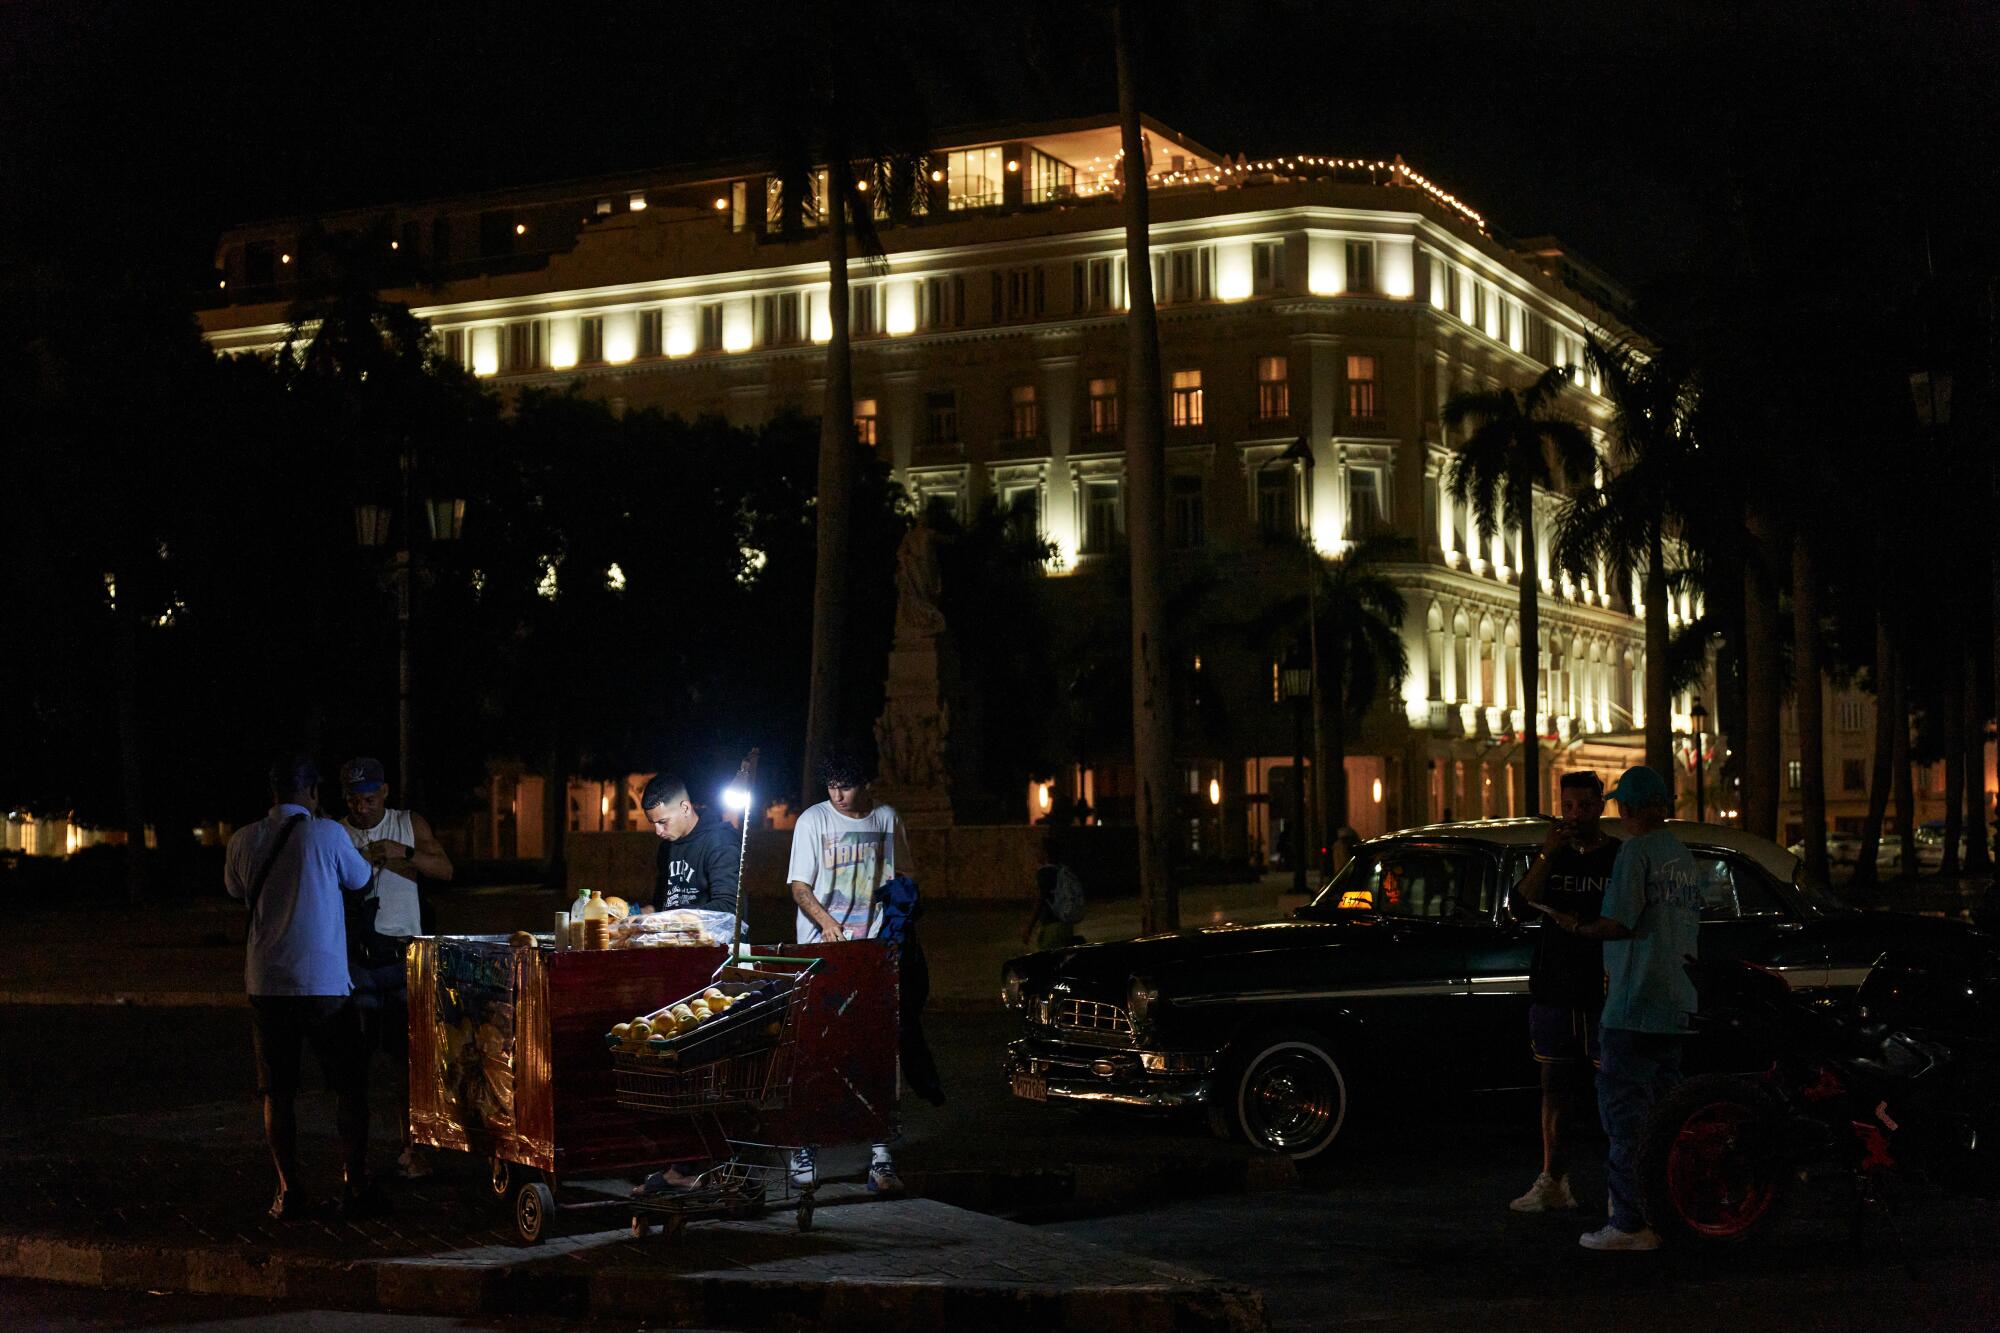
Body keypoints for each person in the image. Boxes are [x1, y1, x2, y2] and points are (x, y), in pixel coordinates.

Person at [1541, 764, 1700, 1252]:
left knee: (1625, 1119)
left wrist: (1577, 927)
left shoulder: (1635, 853)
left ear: (1628, 808)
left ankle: (1630, 1223)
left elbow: (1619, 922)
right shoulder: (1683, 856)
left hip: (1633, 1002)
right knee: (1667, 1117)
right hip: (1678, 1000)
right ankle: (1670, 1211)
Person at [224, 755, 380, 1221]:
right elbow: (361, 878)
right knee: (349, 1087)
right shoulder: (327, 834)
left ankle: (289, 1190)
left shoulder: (243, 839)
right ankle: (354, 1183)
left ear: (271, 795)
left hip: (267, 981)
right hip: (325, 982)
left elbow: (235, 890)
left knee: (277, 1092)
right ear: (312, 794)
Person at [785, 742, 920, 1195]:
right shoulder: (813, 820)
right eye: (832, 787)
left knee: (879, 1051)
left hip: (875, 954)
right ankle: (804, 1146)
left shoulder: (887, 819)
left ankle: (882, 1154)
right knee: (815, 1050)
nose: (838, 796)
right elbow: (800, 886)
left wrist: (898, 930)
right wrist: (827, 924)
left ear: (867, 786)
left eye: (847, 787)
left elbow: (905, 880)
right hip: (821, 953)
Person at [1506, 771, 1619, 1214]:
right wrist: (1547, 855)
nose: (1575, 815)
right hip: (1555, 984)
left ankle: (1621, 1189)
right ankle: (1554, 1180)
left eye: (1585, 806)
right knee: (1554, 1085)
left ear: (1601, 805)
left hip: (1604, 987)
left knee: (1612, 1089)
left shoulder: (1618, 856)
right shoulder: (1552, 857)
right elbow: (1519, 906)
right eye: (1567, 806)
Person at [338, 756, 453, 1181]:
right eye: (353, 798)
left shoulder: (408, 823)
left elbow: (445, 869)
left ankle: (412, 1148)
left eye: (369, 796)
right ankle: (356, 1160)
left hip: (407, 956)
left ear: (384, 792)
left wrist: (398, 853)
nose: (361, 806)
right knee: (356, 1064)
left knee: (411, 1061)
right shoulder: (337, 833)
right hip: (358, 961)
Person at [642, 772, 742, 942]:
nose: (658, 831)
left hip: (718, 951)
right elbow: (662, 904)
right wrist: (639, 915)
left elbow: (728, 907)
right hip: (676, 947)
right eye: (654, 824)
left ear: (685, 808)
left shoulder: (721, 840)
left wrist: (672, 920)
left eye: (663, 822)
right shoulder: (667, 847)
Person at [1022, 830, 1085, 951]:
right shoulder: (1062, 870)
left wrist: (1028, 927)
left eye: (1039, 850)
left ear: (1045, 853)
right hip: (1065, 925)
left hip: (1052, 928)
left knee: (1048, 963)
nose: (1036, 853)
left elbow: (1040, 900)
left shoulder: (1044, 873)